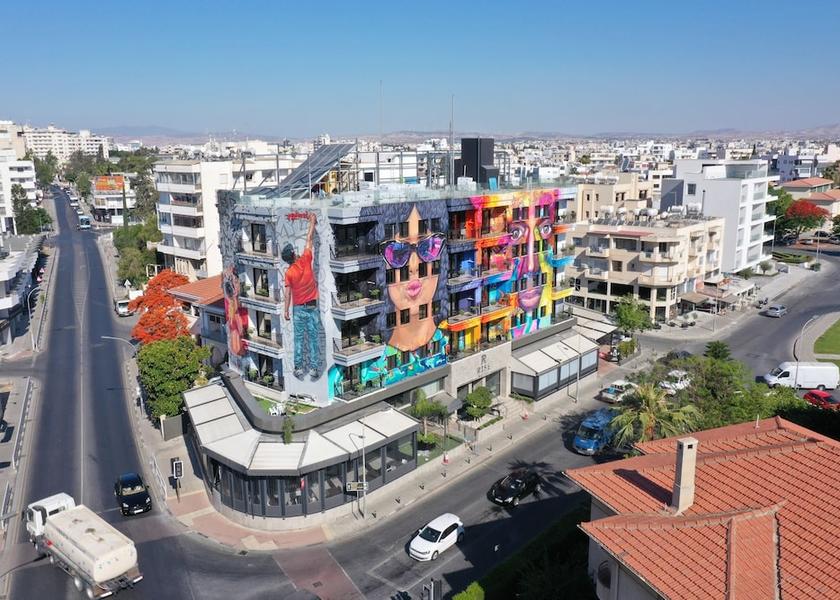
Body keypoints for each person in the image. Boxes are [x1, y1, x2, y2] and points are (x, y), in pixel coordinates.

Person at [283, 213, 323, 380]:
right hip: (312, 306)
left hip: (298, 309)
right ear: (294, 254)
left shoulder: (289, 272)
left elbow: (288, 293)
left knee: (299, 339)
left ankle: (299, 368)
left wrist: (286, 311)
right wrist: (312, 222)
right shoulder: (306, 260)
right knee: (314, 338)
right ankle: (314, 369)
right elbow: (309, 239)